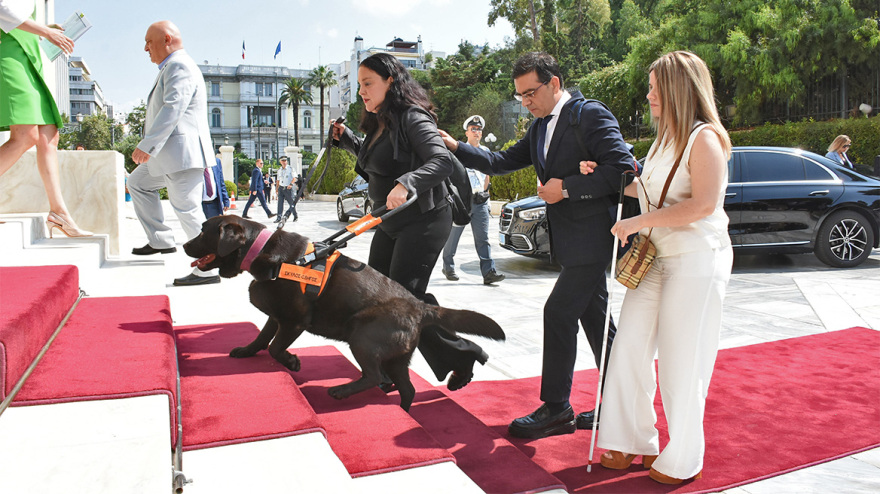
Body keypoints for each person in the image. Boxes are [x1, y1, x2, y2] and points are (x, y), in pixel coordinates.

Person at [440, 51, 633, 439]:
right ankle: (620, 404)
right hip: (570, 244)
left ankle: (557, 408)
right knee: (597, 324)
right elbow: (499, 160)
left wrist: (568, 188)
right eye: (520, 96)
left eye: (531, 93)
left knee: (558, 313)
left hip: (596, 239)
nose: (525, 102)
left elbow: (624, 169)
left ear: (555, 83)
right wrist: (458, 148)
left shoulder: (588, 114)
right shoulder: (541, 127)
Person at [593, 51, 733, 485]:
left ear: (676, 88)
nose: (649, 93)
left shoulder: (705, 138)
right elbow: (655, 191)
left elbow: (704, 204)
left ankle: (684, 455)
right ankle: (632, 438)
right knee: (629, 347)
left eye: (655, 86)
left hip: (696, 259)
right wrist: (607, 175)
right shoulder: (662, 140)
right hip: (657, 258)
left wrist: (638, 221)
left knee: (681, 361)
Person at [331, 52, 489, 392]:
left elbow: (440, 162)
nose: (362, 91)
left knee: (401, 302)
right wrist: (346, 139)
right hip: (390, 221)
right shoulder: (378, 122)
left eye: (368, 83)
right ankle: (399, 367)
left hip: (425, 220)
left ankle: (455, 356)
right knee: (377, 299)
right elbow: (376, 164)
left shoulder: (413, 117)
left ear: (391, 82)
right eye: (359, 85)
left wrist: (408, 183)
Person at [128, 21, 219, 286]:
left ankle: (209, 268)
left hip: (182, 154)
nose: (145, 48)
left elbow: (173, 107)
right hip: (169, 155)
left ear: (167, 39)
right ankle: (161, 240)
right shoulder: (171, 66)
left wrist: (148, 144)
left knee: (187, 210)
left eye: (149, 41)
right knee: (137, 183)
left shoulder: (180, 65)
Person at [0, 1, 91, 238]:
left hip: (29, 57)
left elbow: (16, 15)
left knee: (49, 135)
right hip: (9, 55)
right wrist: (46, 32)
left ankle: (59, 213)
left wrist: (44, 28)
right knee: (25, 136)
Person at [440, 115, 505, 285]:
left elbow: (487, 175)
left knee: (483, 238)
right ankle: (448, 266)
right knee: (454, 235)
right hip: (463, 201)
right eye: (473, 129)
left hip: (480, 201)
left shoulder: (485, 152)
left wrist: (485, 194)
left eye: (479, 130)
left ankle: (488, 272)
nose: (476, 132)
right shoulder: (460, 152)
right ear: (467, 132)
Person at [274, 155, 298, 222]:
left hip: (288, 188)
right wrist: (276, 189)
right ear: (280, 162)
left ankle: (295, 215)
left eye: (285, 160)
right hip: (281, 188)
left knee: (291, 203)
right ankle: (279, 217)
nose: (284, 162)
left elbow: (295, 177)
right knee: (280, 203)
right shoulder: (279, 170)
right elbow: (278, 180)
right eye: (282, 161)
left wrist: (291, 184)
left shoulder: (290, 169)